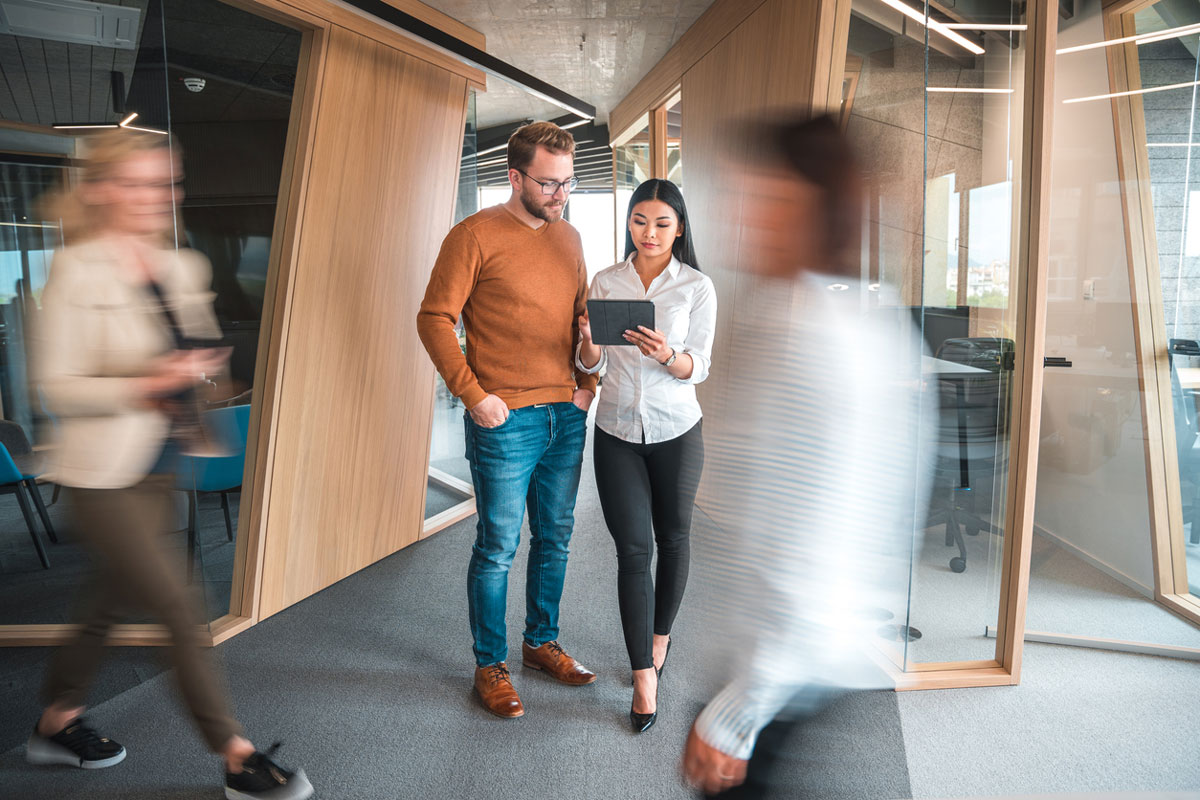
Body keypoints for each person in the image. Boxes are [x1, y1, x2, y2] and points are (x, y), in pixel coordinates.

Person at [26, 130, 313, 800]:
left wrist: (199, 370)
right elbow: (56, 388)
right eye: (139, 183)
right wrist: (148, 382)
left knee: (105, 599)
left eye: (167, 183)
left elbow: (195, 349)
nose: (158, 196)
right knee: (180, 607)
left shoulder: (180, 266)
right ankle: (236, 757)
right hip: (101, 472)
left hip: (164, 457)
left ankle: (55, 720)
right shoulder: (75, 271)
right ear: (100, 190)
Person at [681, 115, 931, 796]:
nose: (747, 219)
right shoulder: (807, 318)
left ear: (819, 212)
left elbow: (809, 546)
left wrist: (739, 711)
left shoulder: (815, 343)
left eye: (770, 200)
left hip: (783, 676)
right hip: (784, 662)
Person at [416, 121, 598, 719]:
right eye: (548, 184)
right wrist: (473, 395)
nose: (560, 195)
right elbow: (433, 318)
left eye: (568, 183)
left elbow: (584, 322)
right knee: (498, 546)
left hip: (565, 414)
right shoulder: (473, 235)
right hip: (503, 419)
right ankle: (489, 664)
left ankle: (540, 643)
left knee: (556, 536)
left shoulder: (570, 238)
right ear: (514, 177)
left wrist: (588, 386)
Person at [576, 179, 716, 733]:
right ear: (629, 223)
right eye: (640, 221)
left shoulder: (696, 286)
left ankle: (660, 638)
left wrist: (667, 354)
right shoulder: (606, 281)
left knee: (674, 539)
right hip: (615, 430)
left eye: (661, 223)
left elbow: (699, 366)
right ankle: (643, 676)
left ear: (679, 229)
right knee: (633, 551)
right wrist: (589, 342)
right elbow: (591, 365)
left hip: (677, 431)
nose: (649, 233)